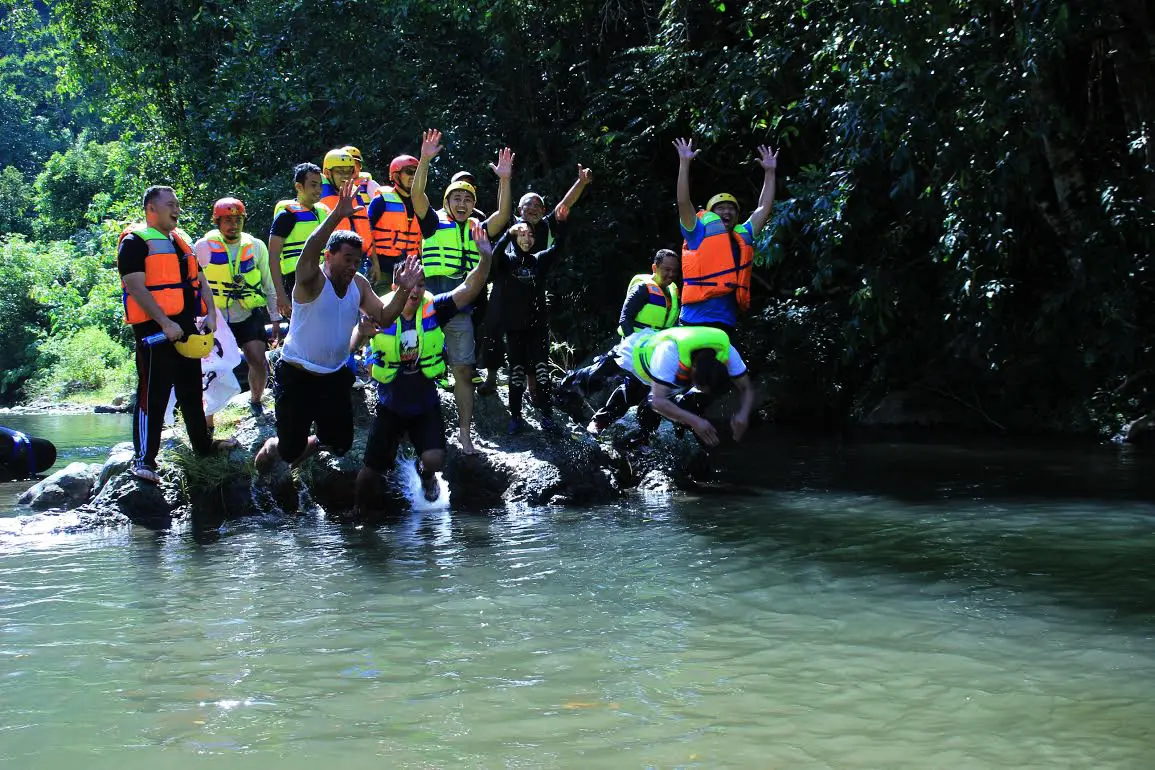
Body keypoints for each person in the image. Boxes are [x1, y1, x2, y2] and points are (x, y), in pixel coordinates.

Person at [254, 179, 424, 471]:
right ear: (328, 256)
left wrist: (404, 289)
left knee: (341, 442)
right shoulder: (311, 281)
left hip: (332, 377)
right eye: (347, 259)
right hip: (297, 375)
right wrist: (336, 215)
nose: (352, 266)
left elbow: (383, 317)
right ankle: (274, 449)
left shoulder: (358, 283)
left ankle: (301, 452)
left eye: (357, 261)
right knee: (288, 448)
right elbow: (307, 254)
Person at [352, 220, 495, 509]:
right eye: (408, 282)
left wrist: (485, 258)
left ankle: (425, 475)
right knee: (369, 474)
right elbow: (354, 338)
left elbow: (469, 288)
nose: (415, 290)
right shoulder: (380, 308)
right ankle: (359, 514)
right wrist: (361, 336)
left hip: (424, 400)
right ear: (395, 285)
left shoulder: (435, 307)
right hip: (390, 402)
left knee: (434, 459)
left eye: (420, 283)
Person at [117, 185, 231, 484]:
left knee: (192, 392)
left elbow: (200, 278)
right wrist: (164, 322)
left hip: (186, 328)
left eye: (178, 203)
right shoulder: (134, 241)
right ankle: (144, 460)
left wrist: (211, 312)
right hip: (155, 331)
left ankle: (203, 448)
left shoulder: (181, 241)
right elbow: (134, 284)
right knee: (152, 396)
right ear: (151, 209)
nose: (177, 209)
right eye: (170, 204)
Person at [411, 128, 513, 455]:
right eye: (457, 197)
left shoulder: (476, 228)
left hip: (460, 306)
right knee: (416, 367)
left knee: (464, 370)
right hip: (427, 305)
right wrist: (425, 159)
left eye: (468, 199)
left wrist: (505, 180)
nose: (463, 203)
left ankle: (466, 434)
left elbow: (504, 216)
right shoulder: (432, 223)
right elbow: (417, 197)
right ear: (446, 201)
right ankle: (413, 432)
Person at [478, 164, 593, 395]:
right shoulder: (510, 223)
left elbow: (565, 205)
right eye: (527, 204)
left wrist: (581, 182)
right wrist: (505, 179)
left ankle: (534, 388)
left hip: (533, 290)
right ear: (519, 209)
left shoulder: (546, 226)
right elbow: (503, 207)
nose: (532, 208)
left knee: (532, 336)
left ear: (543, 210)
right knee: (492, 328)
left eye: (537, 204)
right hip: (504, 285)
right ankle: (491, 377)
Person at [560, 326, 755, 447]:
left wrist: (743, 414)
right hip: (633, 354)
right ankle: (559, 394)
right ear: (693, 370)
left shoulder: (727, 351)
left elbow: (745, 387)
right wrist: (696, 421)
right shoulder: (670, 354)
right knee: (593, 379)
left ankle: (641, 442)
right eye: (698, 386)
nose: (697, 390)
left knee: (653, 408)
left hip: (659, 376)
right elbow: (658, 401)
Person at [673, 138, 778, 336]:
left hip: (726, 322)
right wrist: (684, 163)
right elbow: (682, 201)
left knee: (736, 368)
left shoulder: (744, 234)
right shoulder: (697, 230)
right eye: (721, 208)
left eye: (731, 209)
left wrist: (770, 172)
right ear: (712, 213)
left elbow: (764, 208)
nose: (727, 212)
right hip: (693, 320)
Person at [576, 249, 682, 434]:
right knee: (624, 385)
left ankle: (644, 435)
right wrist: (634, 349)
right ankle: (596, 418)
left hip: (655, 354)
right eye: (666, 270)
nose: (671, 274)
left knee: (650, 393)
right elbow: (625, 319)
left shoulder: (673, 293)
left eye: (675, 271)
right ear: (654, 268)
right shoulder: (643, 288)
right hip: (634, 349)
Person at [195, 197, 280, 418]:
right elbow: (194, 284)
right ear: (217, 222)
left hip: (247, 312)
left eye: (237, 220)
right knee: (212, 367)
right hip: (216, 317)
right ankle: (209, 416)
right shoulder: (203, 247)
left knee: (258, 359)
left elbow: (269, 285)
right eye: (227, 220)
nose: (233, 225)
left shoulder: (256, 246)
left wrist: (275, 319)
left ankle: (256, 400)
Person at [488, 211, 569, 434]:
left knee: (542, 372)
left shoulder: (539, 260)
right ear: (515, 237)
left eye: (530, 235)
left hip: (538, 329)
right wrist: (507, 234)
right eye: (522, 234)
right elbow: (494, 257)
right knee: (516, 372)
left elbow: (558, 249)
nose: (527, 239)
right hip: (514, 329)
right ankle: (516, 418)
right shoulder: (507, 262)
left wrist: (560, 224)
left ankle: (546, 417)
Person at [268, 162, 329, 319]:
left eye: (320, 186)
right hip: (296, 280)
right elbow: (273, 256)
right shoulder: (287, 216)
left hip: (322, 277)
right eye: (313, 185)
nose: (318, 190)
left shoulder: (323, 212)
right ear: (299, 186)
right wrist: (280, 295)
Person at [319, 148, 379, 284]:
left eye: (349, 171)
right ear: (328, 173)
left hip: (361, 261)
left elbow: (367, 232)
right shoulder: (318, 198)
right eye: (340, 171)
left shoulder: (356, 195)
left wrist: (375, 263)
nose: (345, 176)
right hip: (333, 263)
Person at [367, 154, 424, 294]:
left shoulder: (421, 203)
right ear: (396, 176)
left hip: (410, 267)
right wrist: (374, 264)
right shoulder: (381, 200)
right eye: (409, 172)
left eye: (416, 173)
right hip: (383, 266)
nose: (414, 176)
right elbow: (366, 233)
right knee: (382, 308)